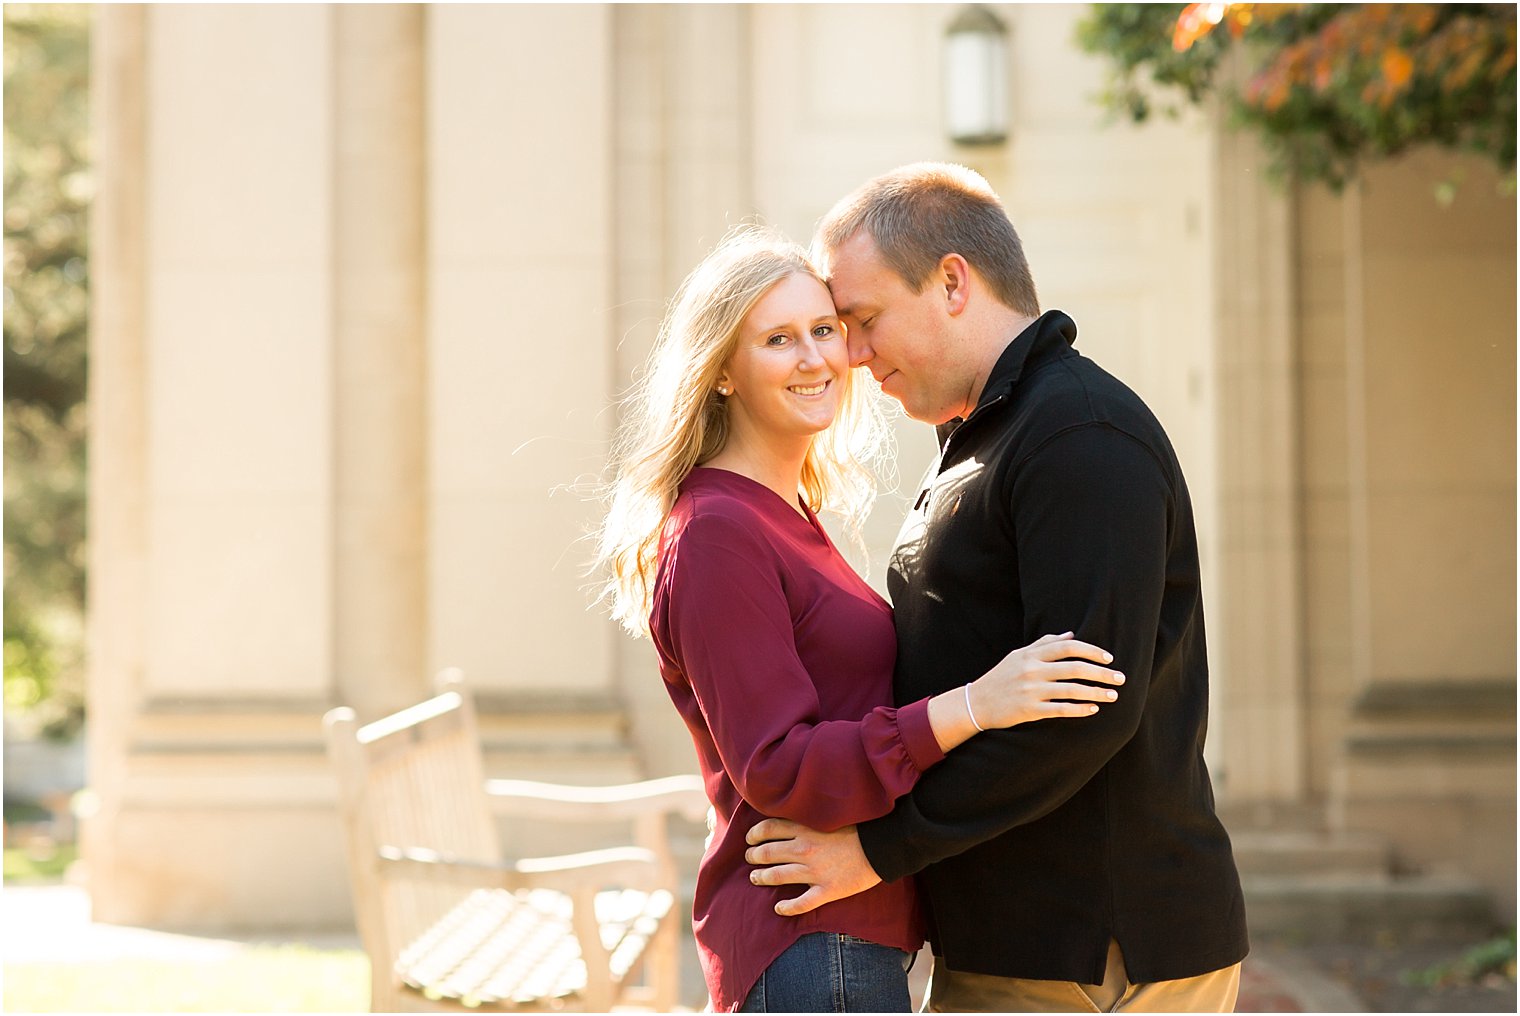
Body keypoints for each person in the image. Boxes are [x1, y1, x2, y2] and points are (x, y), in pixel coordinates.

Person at [744, 164, 1250, 1013]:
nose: (854, 356)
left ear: (952, 282)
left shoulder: (1077, 435)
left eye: (864, 321)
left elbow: (1084, 710)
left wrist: (876, 848)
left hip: (1093, 950)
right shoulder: (988, 432)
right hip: (1023, 944)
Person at [595, 225, 1125, 1013]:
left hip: (845, 938)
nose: (816, 358)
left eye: (826, 330)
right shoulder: (717, 531)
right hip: (809, 945)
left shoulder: (785, 514)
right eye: (778, 339)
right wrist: (976, 705)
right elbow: (780, 766)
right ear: (723, 375)